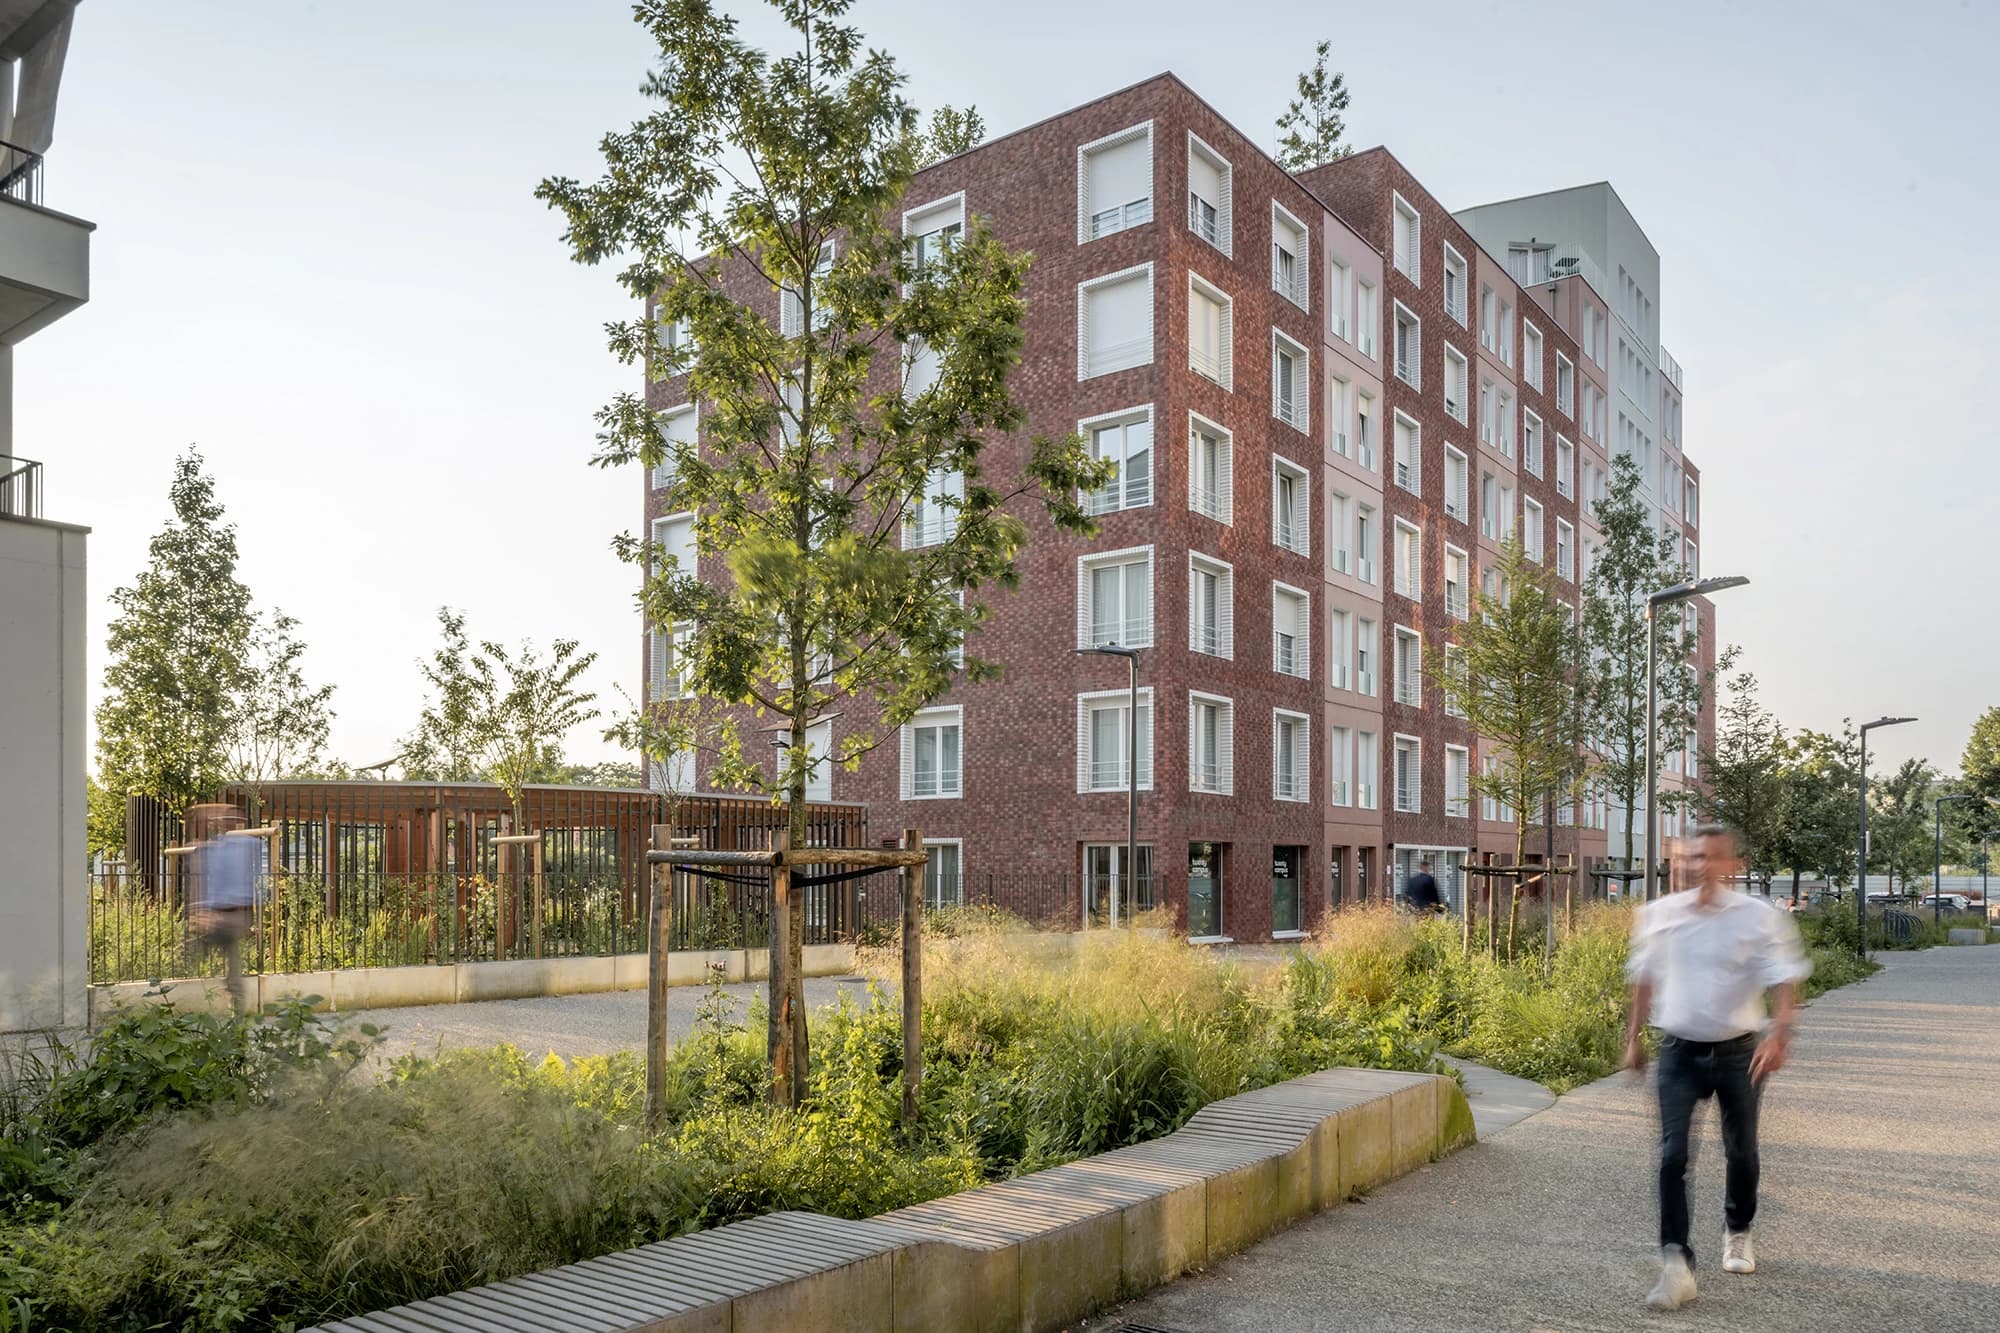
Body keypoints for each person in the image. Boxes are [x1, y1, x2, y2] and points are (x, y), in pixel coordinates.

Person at [1624, 823, 1810, 1311]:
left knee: (1741, 1150)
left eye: (1710, 856)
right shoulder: (1660, 914)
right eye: (1692, 856)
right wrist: (1632, 1038)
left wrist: (1780, 1034)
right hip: (1678, 1053)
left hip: (1739, 1054)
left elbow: (1785, 979)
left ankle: (1738, 1228)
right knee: (1672, 1157)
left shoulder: (1758, 917)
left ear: (1732, 864)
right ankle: (1676, 1264)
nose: (1699, 865)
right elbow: (1643, 978)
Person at [191, 803, 263, 1015]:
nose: (228, 822)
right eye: (226, 819)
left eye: (233, 819)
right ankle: (234, 1005)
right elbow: (208, 878)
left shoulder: (247, 845)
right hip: (217, 914)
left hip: (235, 914)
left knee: (226, 958)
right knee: (227, 960)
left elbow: (260, 873)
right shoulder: (217, 847)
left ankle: (236, 1009)